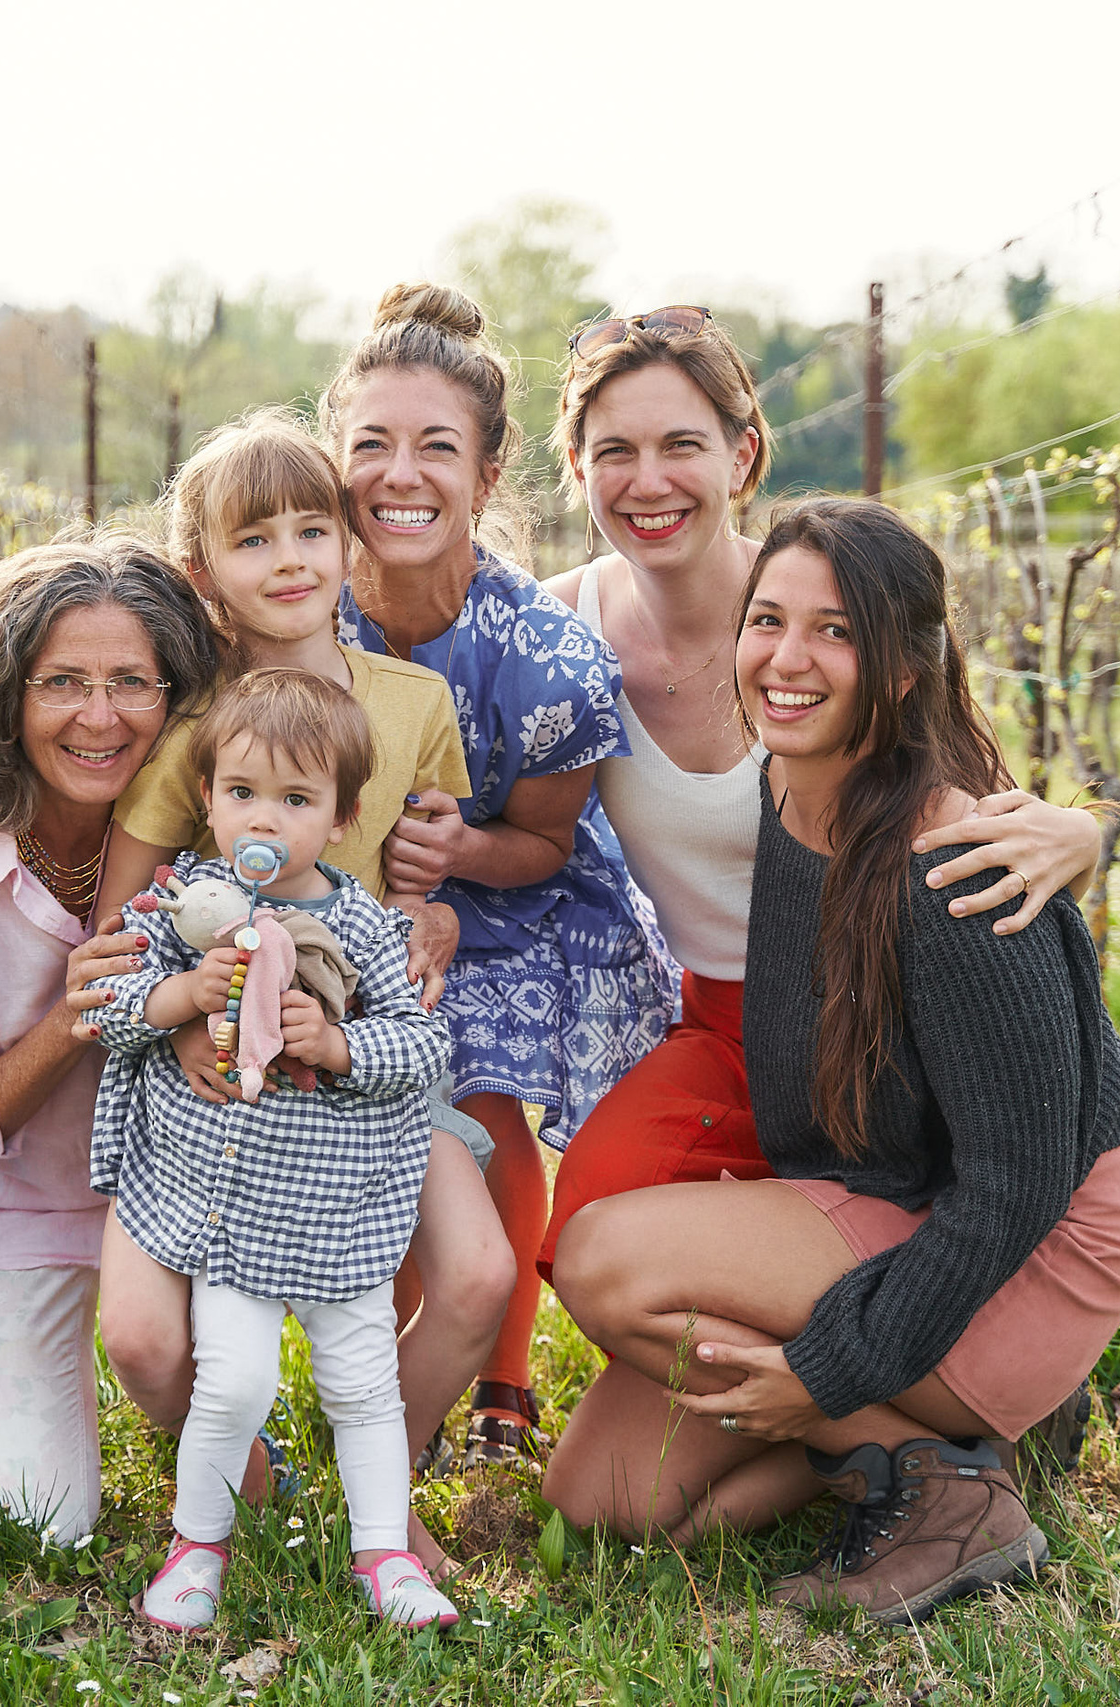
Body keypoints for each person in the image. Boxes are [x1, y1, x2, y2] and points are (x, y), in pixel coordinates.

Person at [541, 498, 1120, 1626]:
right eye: (767, 620)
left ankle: (954, 1480)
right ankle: (942, 1449)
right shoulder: (784, 787)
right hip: (890, 1189)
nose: (787, 657)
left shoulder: (951, 867)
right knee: (609, 1499)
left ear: (906, 670)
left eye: (835, 632)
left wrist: (826, 1371)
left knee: (603, 1260)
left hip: (1031, 1249)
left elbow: (1018, 1186)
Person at [535, 306, 1107, 1284]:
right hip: (718, 1021)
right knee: (595, 1207)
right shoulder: (557, 631)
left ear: (742, 456)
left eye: (682, 445)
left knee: (880, 1228)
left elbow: (962, 798)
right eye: (615, 450)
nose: (648, 480)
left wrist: (1079, 839)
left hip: (871, 1020)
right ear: (578, 468)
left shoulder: (815, 604)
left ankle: (883, 1351)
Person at [82, 411, 514, 1574]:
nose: (288, 560)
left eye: (311, 529)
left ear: (347, 541)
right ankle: (256, 1487)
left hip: (354, 1060)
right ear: (202, 572)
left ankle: (381, 1481)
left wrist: (431, 912)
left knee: (478, 1275)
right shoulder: (192, 733)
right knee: (143, 1344)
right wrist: (179, 1025)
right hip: (213, 1078)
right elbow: (125, 922)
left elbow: (419, 880)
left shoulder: (412, 706)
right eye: (253, 539)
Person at [323, 282, 677, 1465]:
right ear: (333, 461)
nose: (400, 474)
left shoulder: (546, 657)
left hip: (505, 899)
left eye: (436, 446)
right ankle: (381, 1371)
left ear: (484, 475)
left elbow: (545, 841)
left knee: (473, 1093)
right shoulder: (296, 618)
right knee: (358, 1107)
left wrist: (461, 854)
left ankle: (501, 1385)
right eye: (371, 444)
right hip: (332, 898)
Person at [0, 534, 222, 1545]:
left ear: (179, 694)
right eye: (61, 682)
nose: (99, 718)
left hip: (184, 1194)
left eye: (131, 683)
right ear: (3, 696)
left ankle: (226, 1422)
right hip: (7, 1211)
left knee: (230, 1447)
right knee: (17, 1518)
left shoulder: (220, 810)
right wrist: (71, 1020)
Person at [90, 669, 460, 1632]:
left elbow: (424, 1045)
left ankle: (384, 1553)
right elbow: (110, 1011)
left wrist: (337, 1044)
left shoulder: (364, 925)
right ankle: (198, 1544)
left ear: (342, 819)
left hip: (338, 1209)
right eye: (244, 792)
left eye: (297, 799)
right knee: (235, 1379)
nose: (266, 817)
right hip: (228, 1213)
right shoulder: (180, 909)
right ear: (207, 798)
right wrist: (184, 995)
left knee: (363, 1384)